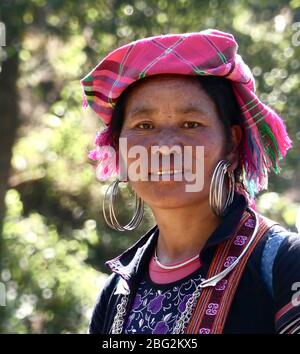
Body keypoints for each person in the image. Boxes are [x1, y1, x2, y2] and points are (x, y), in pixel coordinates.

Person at [80, 29, 300, 334]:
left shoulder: (283, 265)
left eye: (191, 124)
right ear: (119, 147)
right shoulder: (116, 293)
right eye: (144, 125)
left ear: (232, 145)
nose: (166, 146)